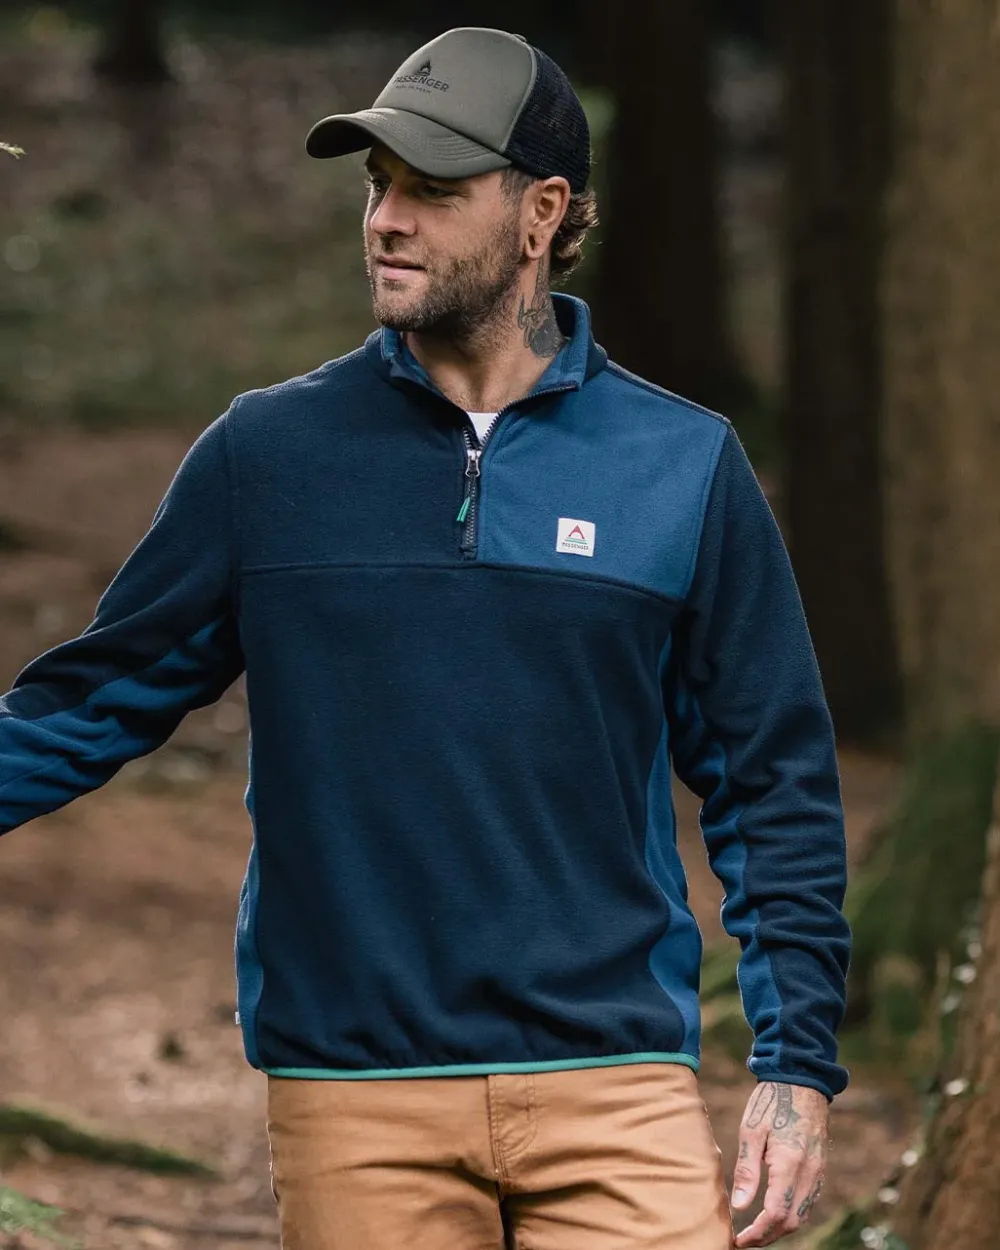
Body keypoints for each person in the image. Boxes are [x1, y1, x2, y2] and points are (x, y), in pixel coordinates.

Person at [0, 25, 850, 1250]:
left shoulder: (681, 465)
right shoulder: (267, 456)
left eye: (432, 190)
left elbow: (772, 777)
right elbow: (89, 701)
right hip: (357, 1093)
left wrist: (795, 1058)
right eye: (377, 185)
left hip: (617, 1083)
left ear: (541, 212)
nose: (387, 221)